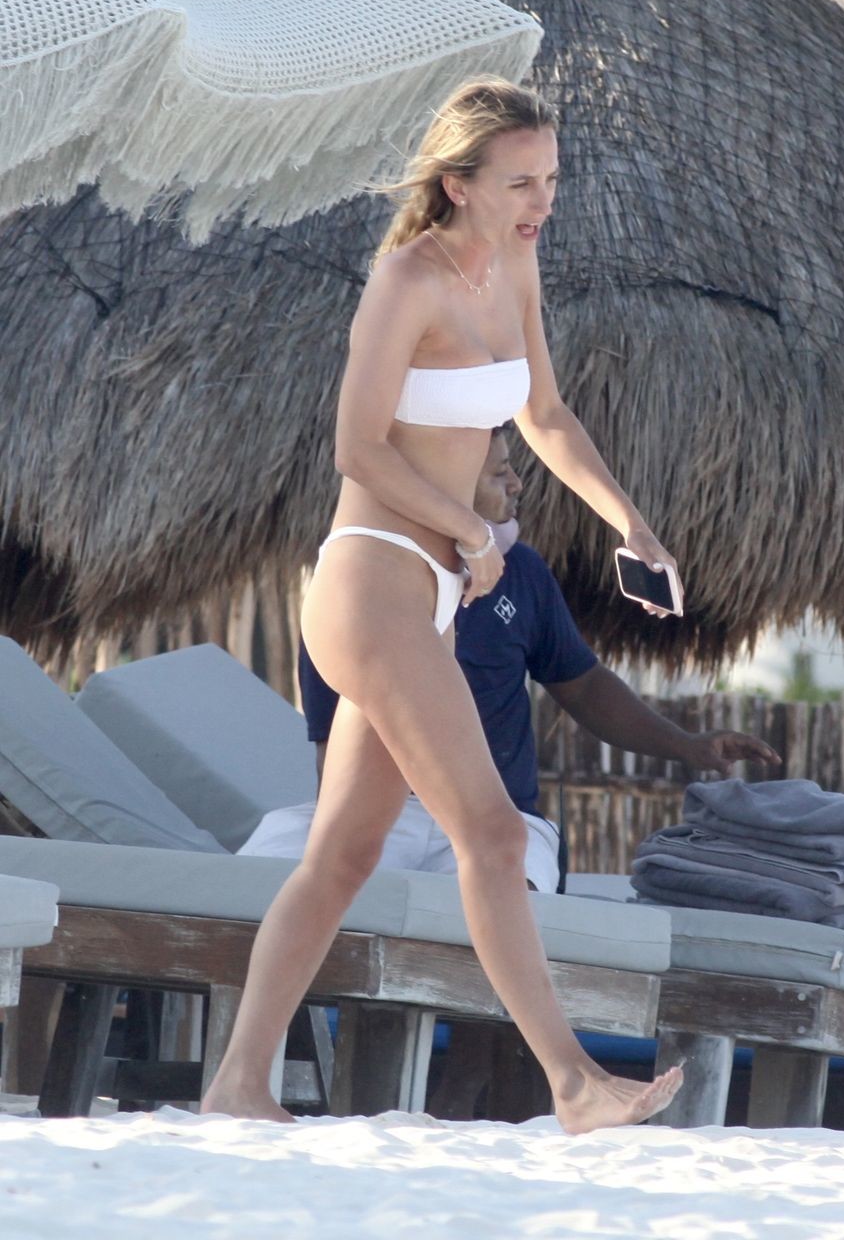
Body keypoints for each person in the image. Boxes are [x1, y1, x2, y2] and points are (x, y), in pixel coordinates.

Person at [202, 78, 684, 1131]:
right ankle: (574, 1085)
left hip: (431, 596)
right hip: (372, 580)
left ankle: (236, 1082)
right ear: (459, 184)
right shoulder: (406, 279)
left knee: (342, 856)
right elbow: (357, 446)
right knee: (495, 835)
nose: (541, 201)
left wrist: (629, 523)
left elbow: (544, 413)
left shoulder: (515, 265)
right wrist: (469, 530)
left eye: (550, 179)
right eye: (520, 182)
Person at [241, 427, 779, 893]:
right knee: (262, 881)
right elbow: (331, 751)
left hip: (499, 813)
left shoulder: (522, 573)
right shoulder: (357, 585)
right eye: (501, 473)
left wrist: (686, 744)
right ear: (449, 484)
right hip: (383, 813)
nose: (519, 484)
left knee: (503, 886)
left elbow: (584, 686)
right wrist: (346, 852)